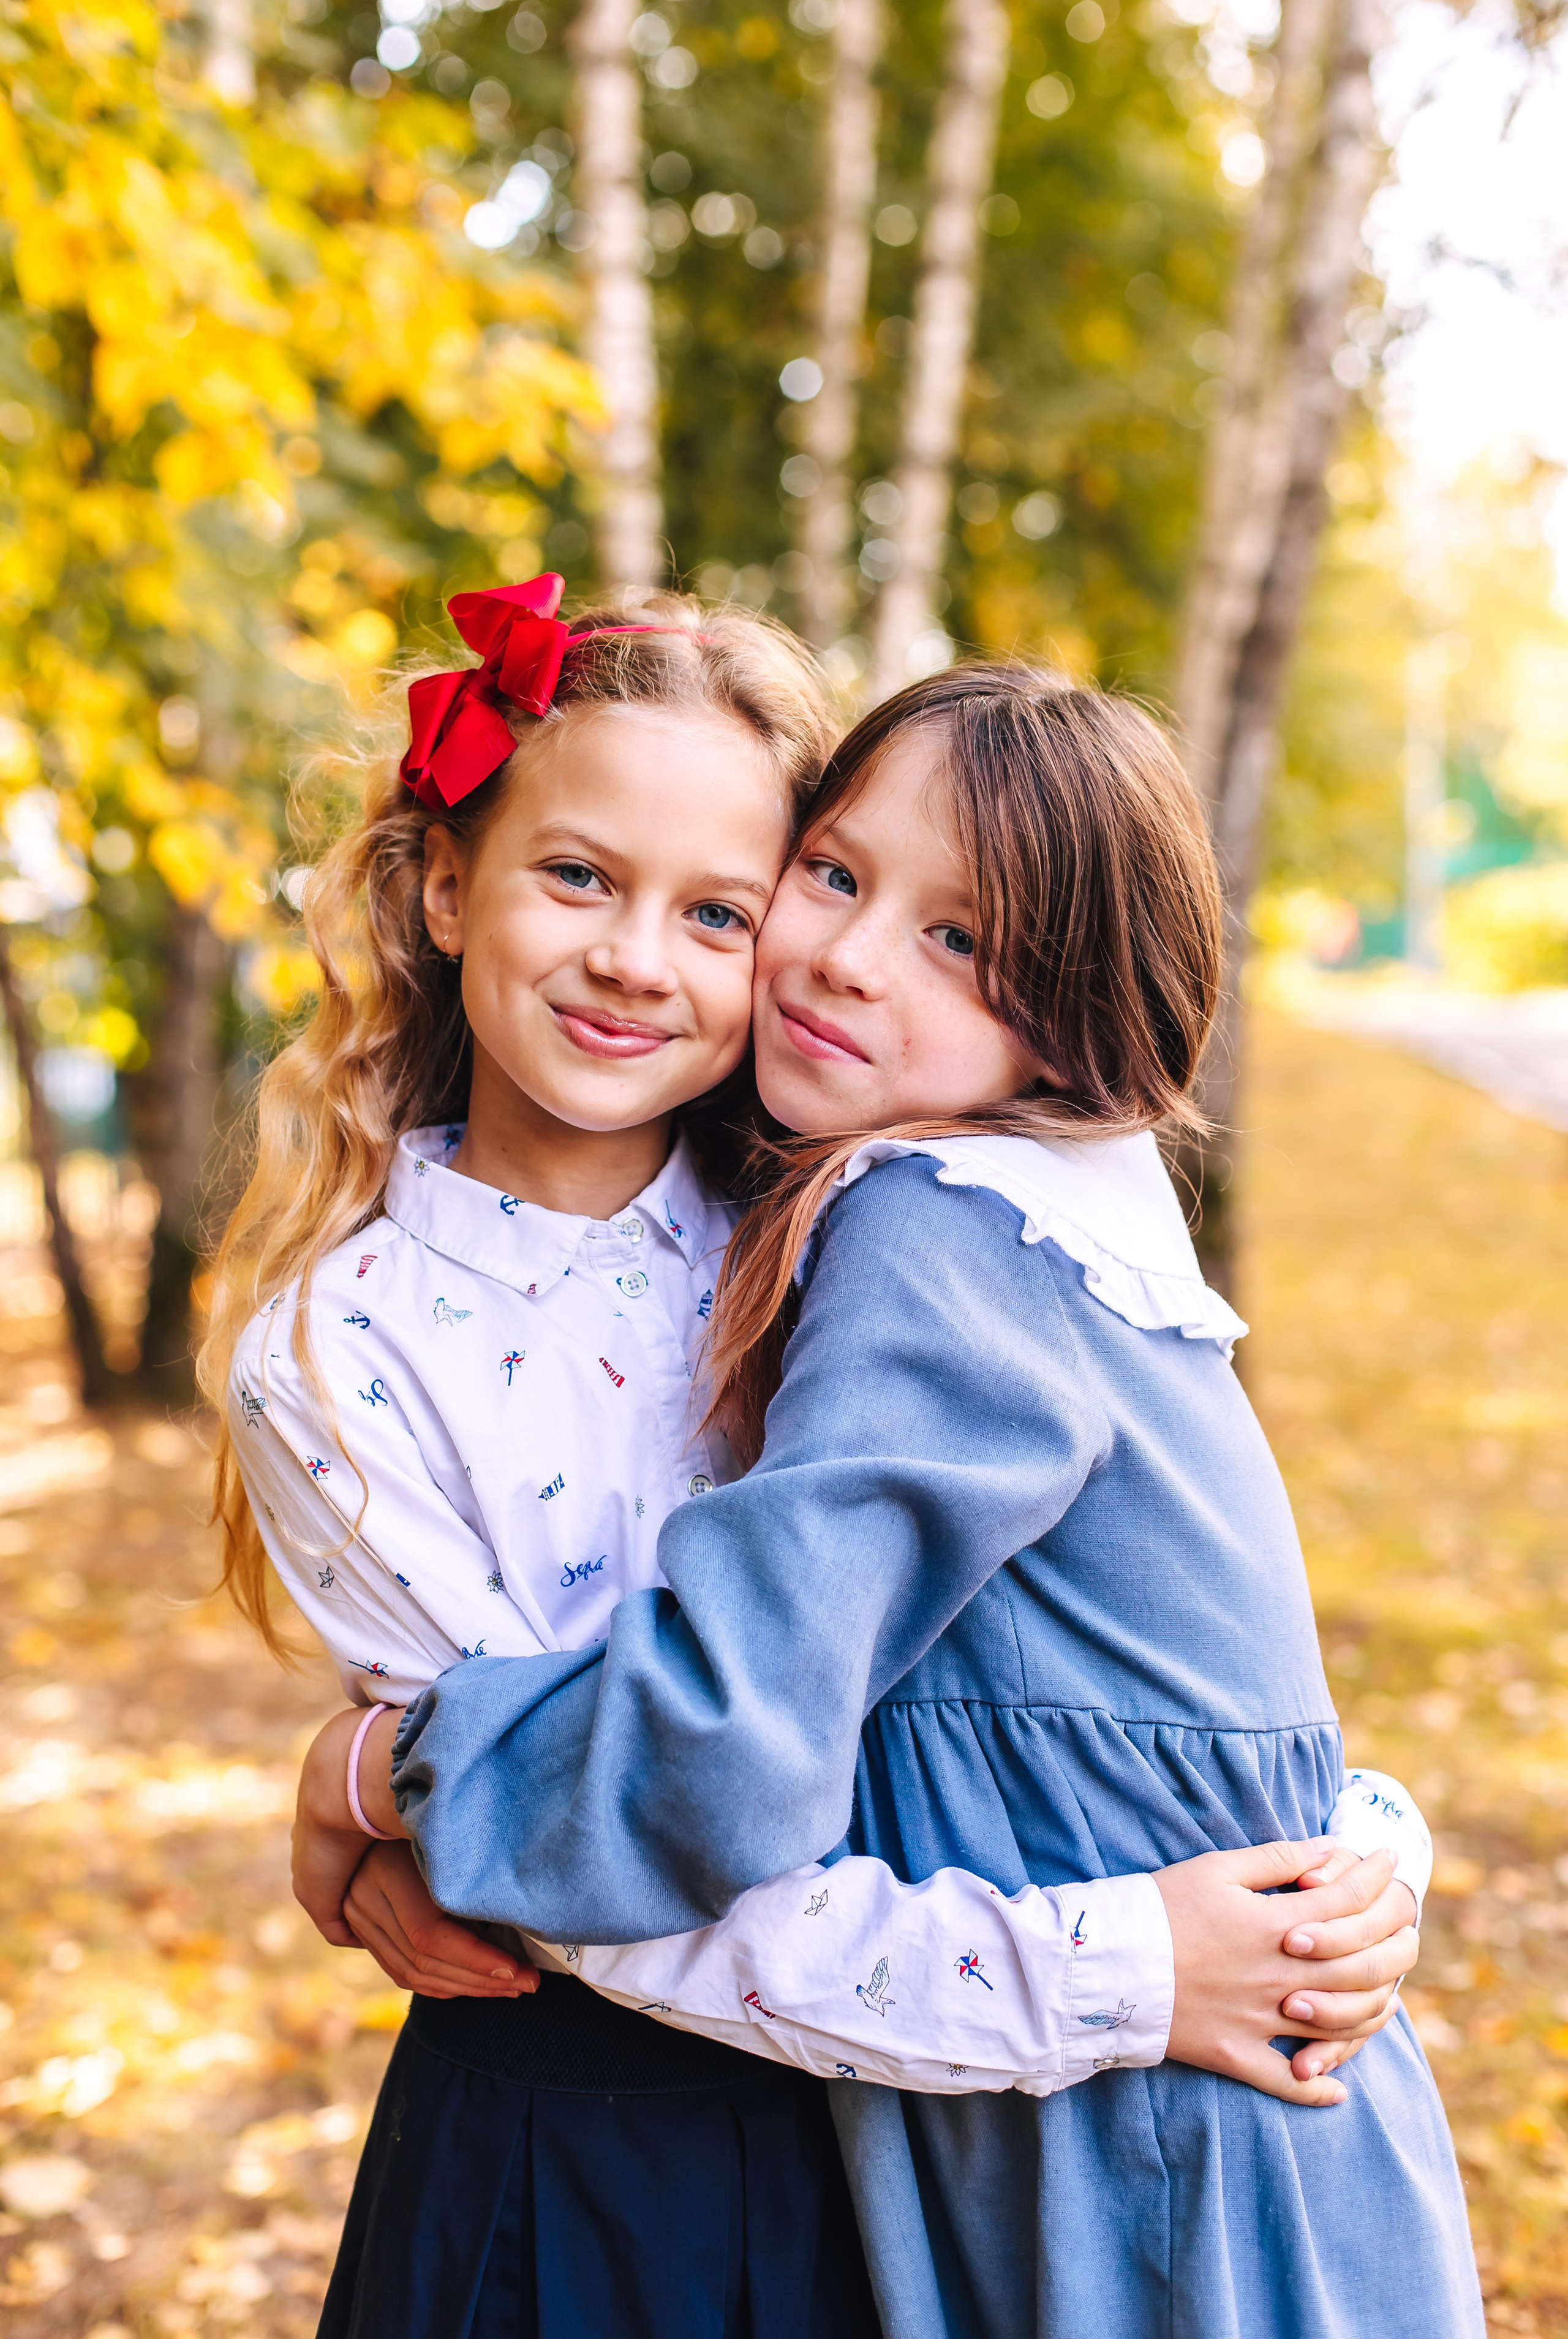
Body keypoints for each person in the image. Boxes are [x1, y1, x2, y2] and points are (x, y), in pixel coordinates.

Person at [328, 660, 1482, 2337]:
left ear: (1075, 1019)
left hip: (1147, 2156)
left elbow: (724, 1746)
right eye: (842, 874)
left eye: (961, 943)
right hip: (1227, 2120)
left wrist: (388, 1772)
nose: (853, 960)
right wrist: (1377, 1838)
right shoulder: (1065, 1222)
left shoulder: (937, 1226)